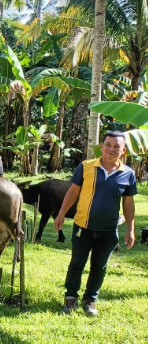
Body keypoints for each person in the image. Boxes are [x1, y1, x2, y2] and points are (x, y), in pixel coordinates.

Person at [55, 131, 137, 316]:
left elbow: (128, 204)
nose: (111, 149)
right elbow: (73, 192)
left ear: (123, 151)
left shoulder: (128, 174)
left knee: (99, 267)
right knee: (77, 263)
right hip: (82, 227)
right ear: (101, 147)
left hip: (108, 230)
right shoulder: (86, 166)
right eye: (108, 144)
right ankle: (70, 298)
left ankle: (90, 300)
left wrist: (130, 229)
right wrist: (61, 214)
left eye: (116, 146)